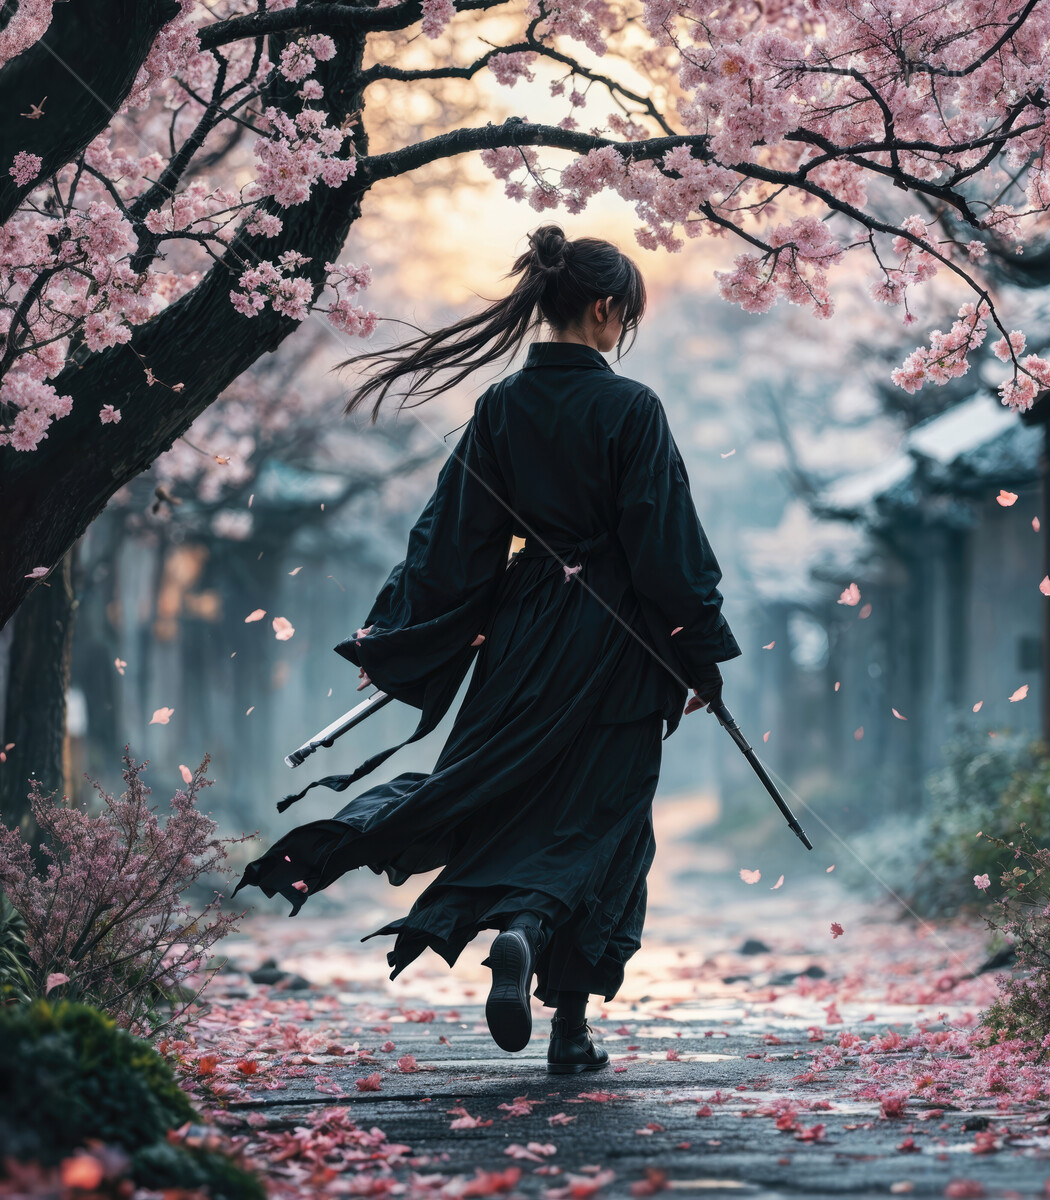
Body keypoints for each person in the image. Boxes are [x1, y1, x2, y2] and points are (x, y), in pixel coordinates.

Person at [233, 225, 741, 1073]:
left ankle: (522, 931)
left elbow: (453, 538)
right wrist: (700, 650)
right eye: (628, 316)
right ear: (607, 306)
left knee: (512, 804)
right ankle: (562, 1008)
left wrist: (397, 634)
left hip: (522, 641)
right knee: (604, 824)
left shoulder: (501, 407)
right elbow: (664, 544)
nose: (626, 331)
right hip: (617, 654)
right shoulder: (633, 408)